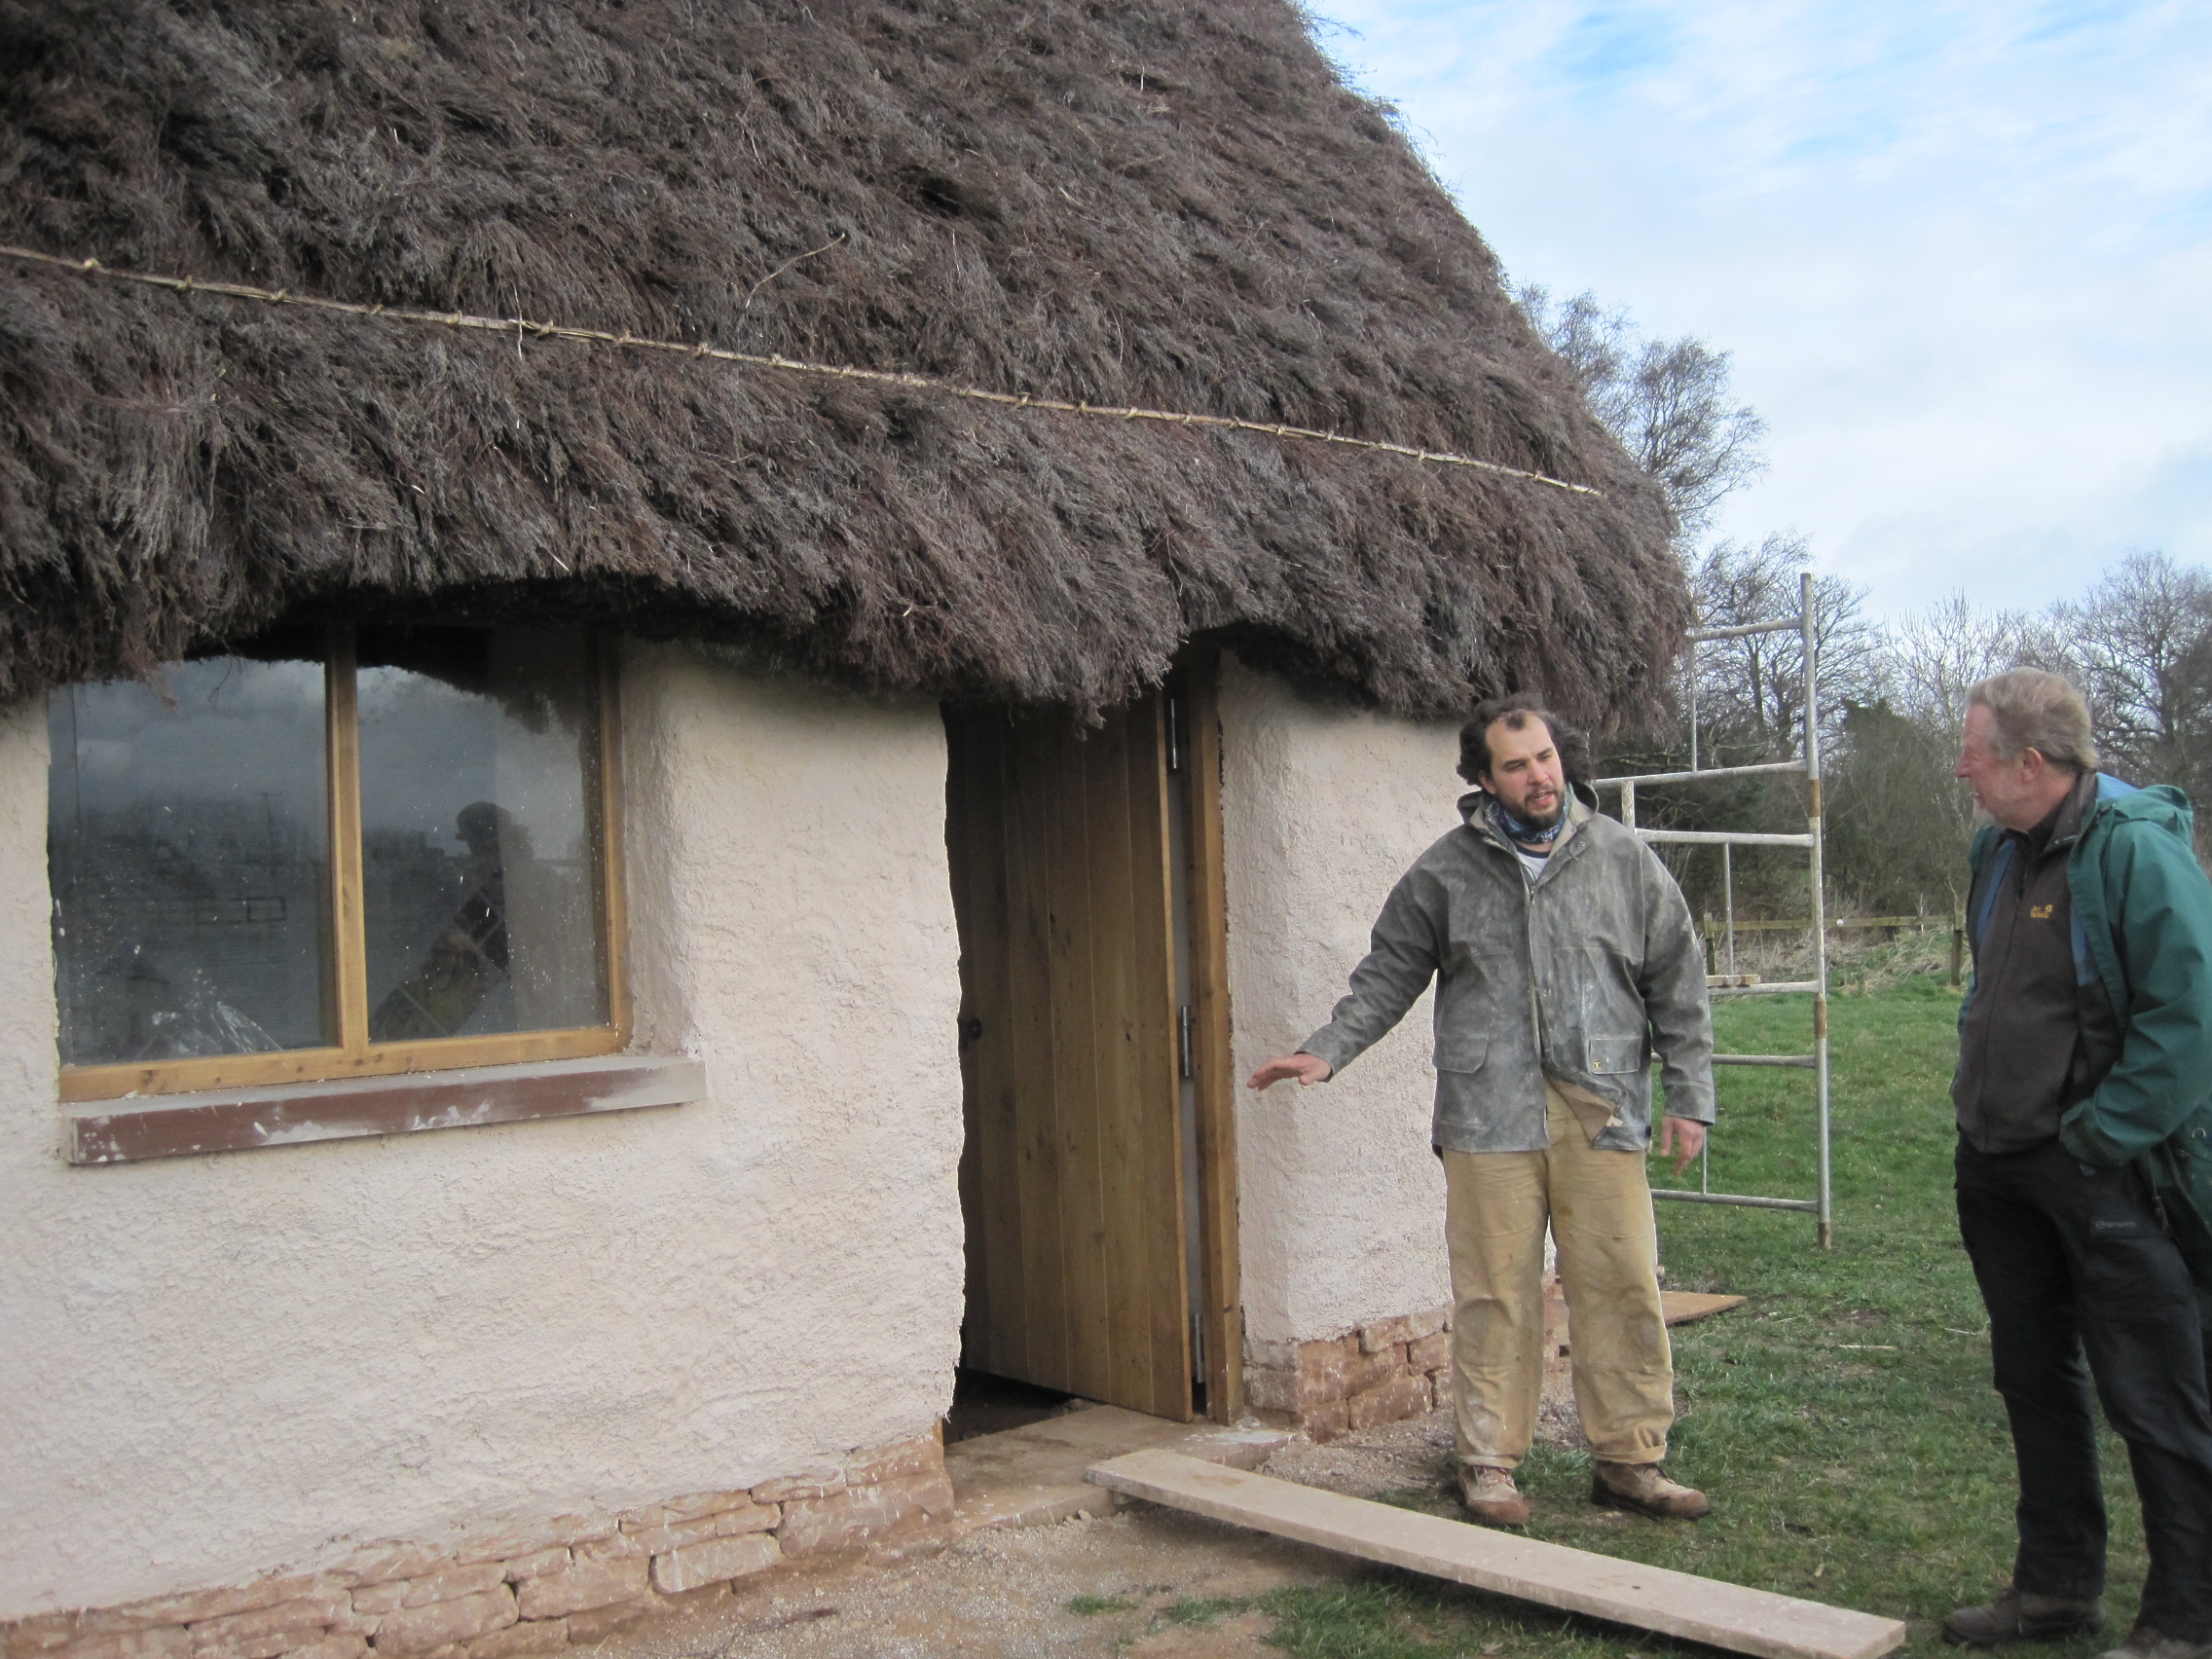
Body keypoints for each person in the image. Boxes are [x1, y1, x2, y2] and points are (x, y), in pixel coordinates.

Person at [1247, 691, 1717, 1527]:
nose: (1540, 776)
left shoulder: (1623, 859)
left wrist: (1690, 1097)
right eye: (1517, 766)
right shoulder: (1444, 872)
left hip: (1601, 1108)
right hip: (1485, 1115)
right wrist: (1328, 1050)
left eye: (1546, 757)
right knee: (1495, 1294)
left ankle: (1631, 1460)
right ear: (1483, 779)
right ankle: (1490, 1464)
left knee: (1621, 1285)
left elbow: (1678, 983)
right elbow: (1387, 976)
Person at [1941, 670, 2212, 1659]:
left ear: (2030, 762)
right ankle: (2056, 1589)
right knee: (2033, 1379)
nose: (1962, 770)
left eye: (1972, 753)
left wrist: (2097, 1139)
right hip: (1997, 1162)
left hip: (2102, 1171)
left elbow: (2189, 1020)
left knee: (2150, 1391)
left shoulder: (2136, 850)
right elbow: (1999, 988)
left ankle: (2186, 1615)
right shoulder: (1997, 848)